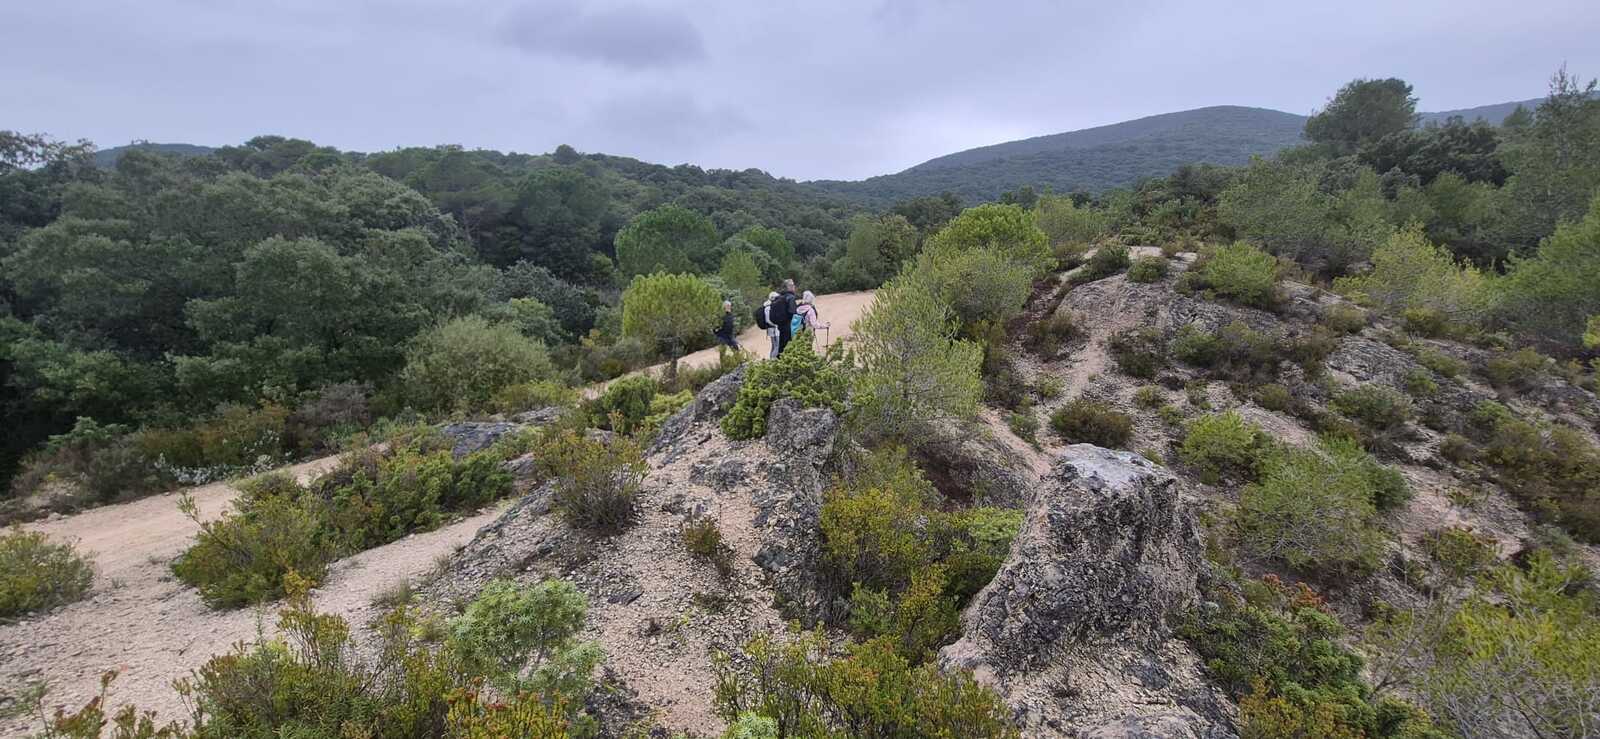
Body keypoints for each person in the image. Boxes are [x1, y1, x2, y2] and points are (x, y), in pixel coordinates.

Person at [772, 279, 799, 355]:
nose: (794, 286)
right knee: (790, 348)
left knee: (782, 347)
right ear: (789, 287)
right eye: (793, 285)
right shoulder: (791, 298)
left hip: (781, 327)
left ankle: (780, 360)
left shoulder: (779, 297)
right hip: (789, 327)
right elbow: (793, 312)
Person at [760, 291, 781, 358]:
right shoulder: (769, 307)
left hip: (770, 328)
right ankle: (772, 359)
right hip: (774, 328)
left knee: (774, 345)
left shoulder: (767, 306)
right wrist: (776, 324)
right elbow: (768, 320)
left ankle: (771, 359)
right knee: (777, 346)